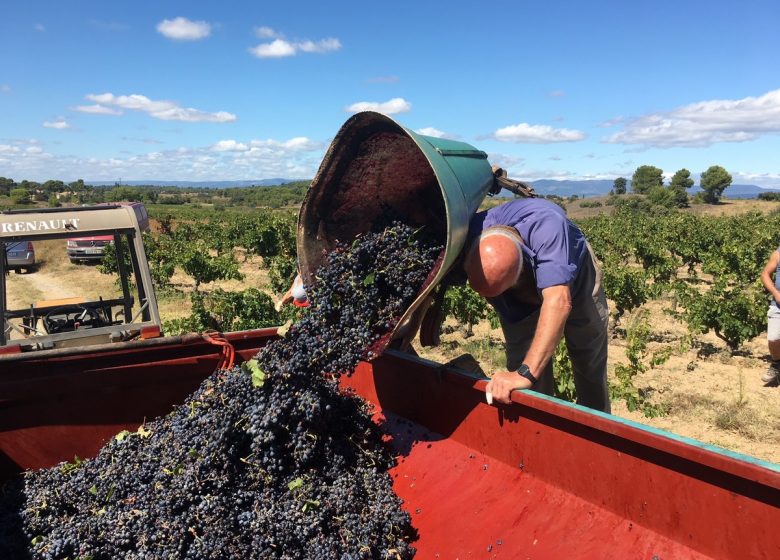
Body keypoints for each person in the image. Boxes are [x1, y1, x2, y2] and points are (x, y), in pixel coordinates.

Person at [462, 197, 610, 413]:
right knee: (522, 365)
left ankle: (599, 430)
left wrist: (527, 373)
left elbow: (558, 300)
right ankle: (535, 427)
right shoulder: (465, 235)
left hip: (577, 279)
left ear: (524, 270)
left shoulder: (548, 228)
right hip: (513, 290)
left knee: (588, 358)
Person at [760, 246, 780, 384]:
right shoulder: (779, 252)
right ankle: (777, 363)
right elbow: (765, 274)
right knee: (773, 338)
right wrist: (776, 293)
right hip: (778, 305)